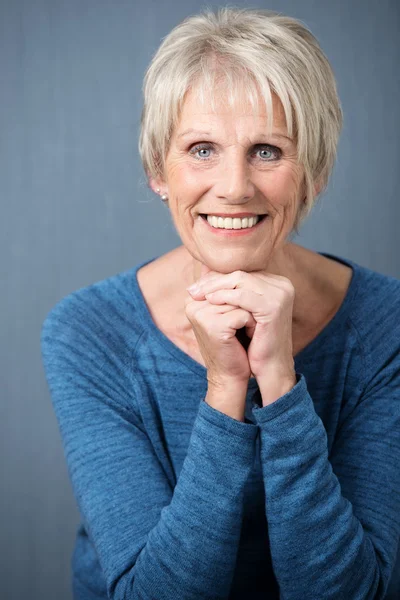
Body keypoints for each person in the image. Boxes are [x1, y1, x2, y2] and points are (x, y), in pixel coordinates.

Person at [40, 7, 400, 600]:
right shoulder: (88, 331)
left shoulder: (385, 324)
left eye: (267, 151)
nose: (234, 186)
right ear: (159, 168)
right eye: (202, 149)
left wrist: (279, 381)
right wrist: (224, 389)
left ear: (314, 173)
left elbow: (345, 592)